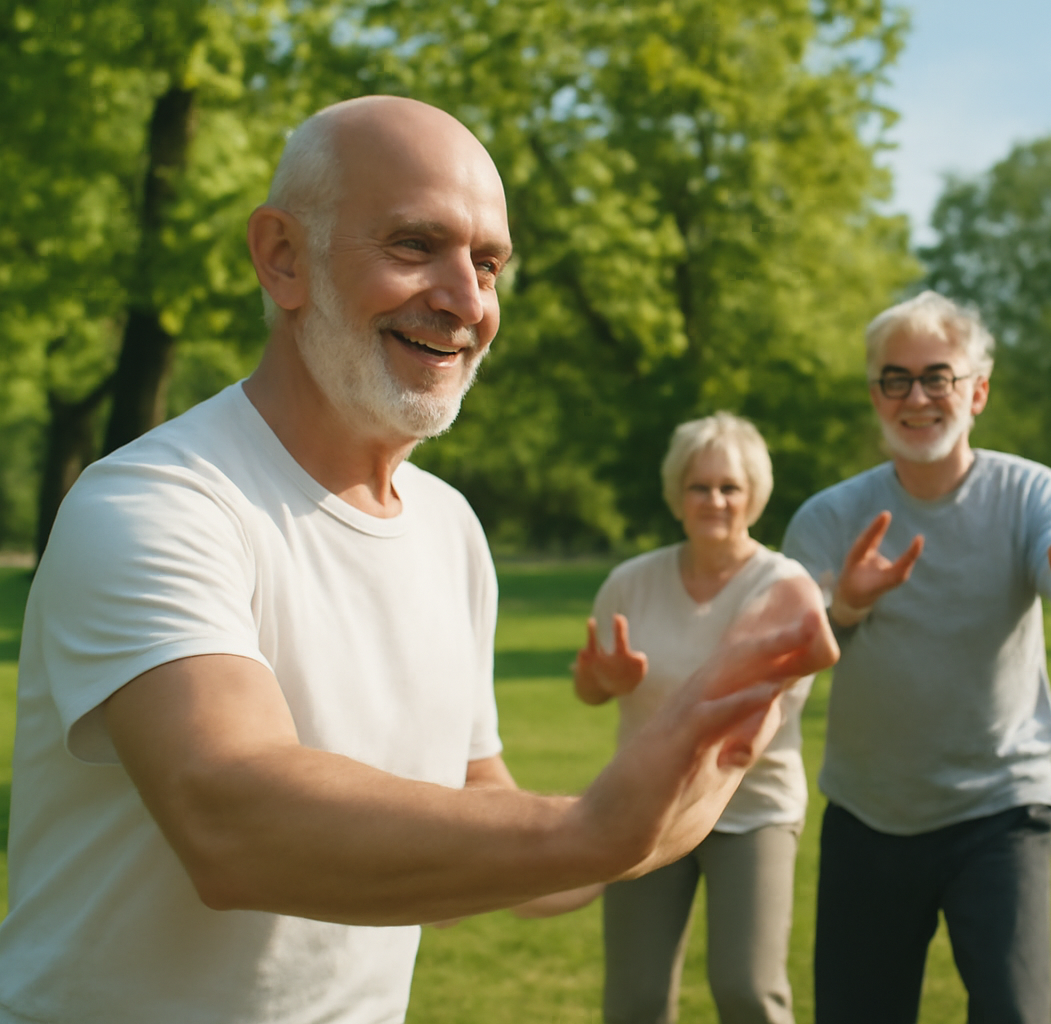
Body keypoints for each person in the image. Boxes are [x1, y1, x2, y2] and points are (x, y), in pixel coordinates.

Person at [0, 96, 837, 1024]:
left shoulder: (450, 530)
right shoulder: (156, 503)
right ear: (283, 257)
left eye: (488, 264)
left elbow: (479, 815)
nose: (467, 302)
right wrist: (588, 832)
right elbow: (231, 817)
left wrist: (671, 791)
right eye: (414, 245)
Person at [781, 290, 1051, 1024]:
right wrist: (846, 605)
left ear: (978, 392)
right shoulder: (828, 518)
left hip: (1001, 807)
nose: (917, 398)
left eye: (938, 376)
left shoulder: (1027, 491)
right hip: (869, 814)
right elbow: (787, 653)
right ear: (875, 395)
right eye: (895, 379)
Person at [575, 412, 819, 1024]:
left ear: (754, 496)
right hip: (646, 808)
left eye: (729, 487)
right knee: (634, 1000)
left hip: (751, 807)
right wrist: (605, 682)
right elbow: (587, 686)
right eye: (699, 486)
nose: (714, 500)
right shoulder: (630, 583)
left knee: (746, 989)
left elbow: (768, 709)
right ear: (677, 495)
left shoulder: (785, 585)